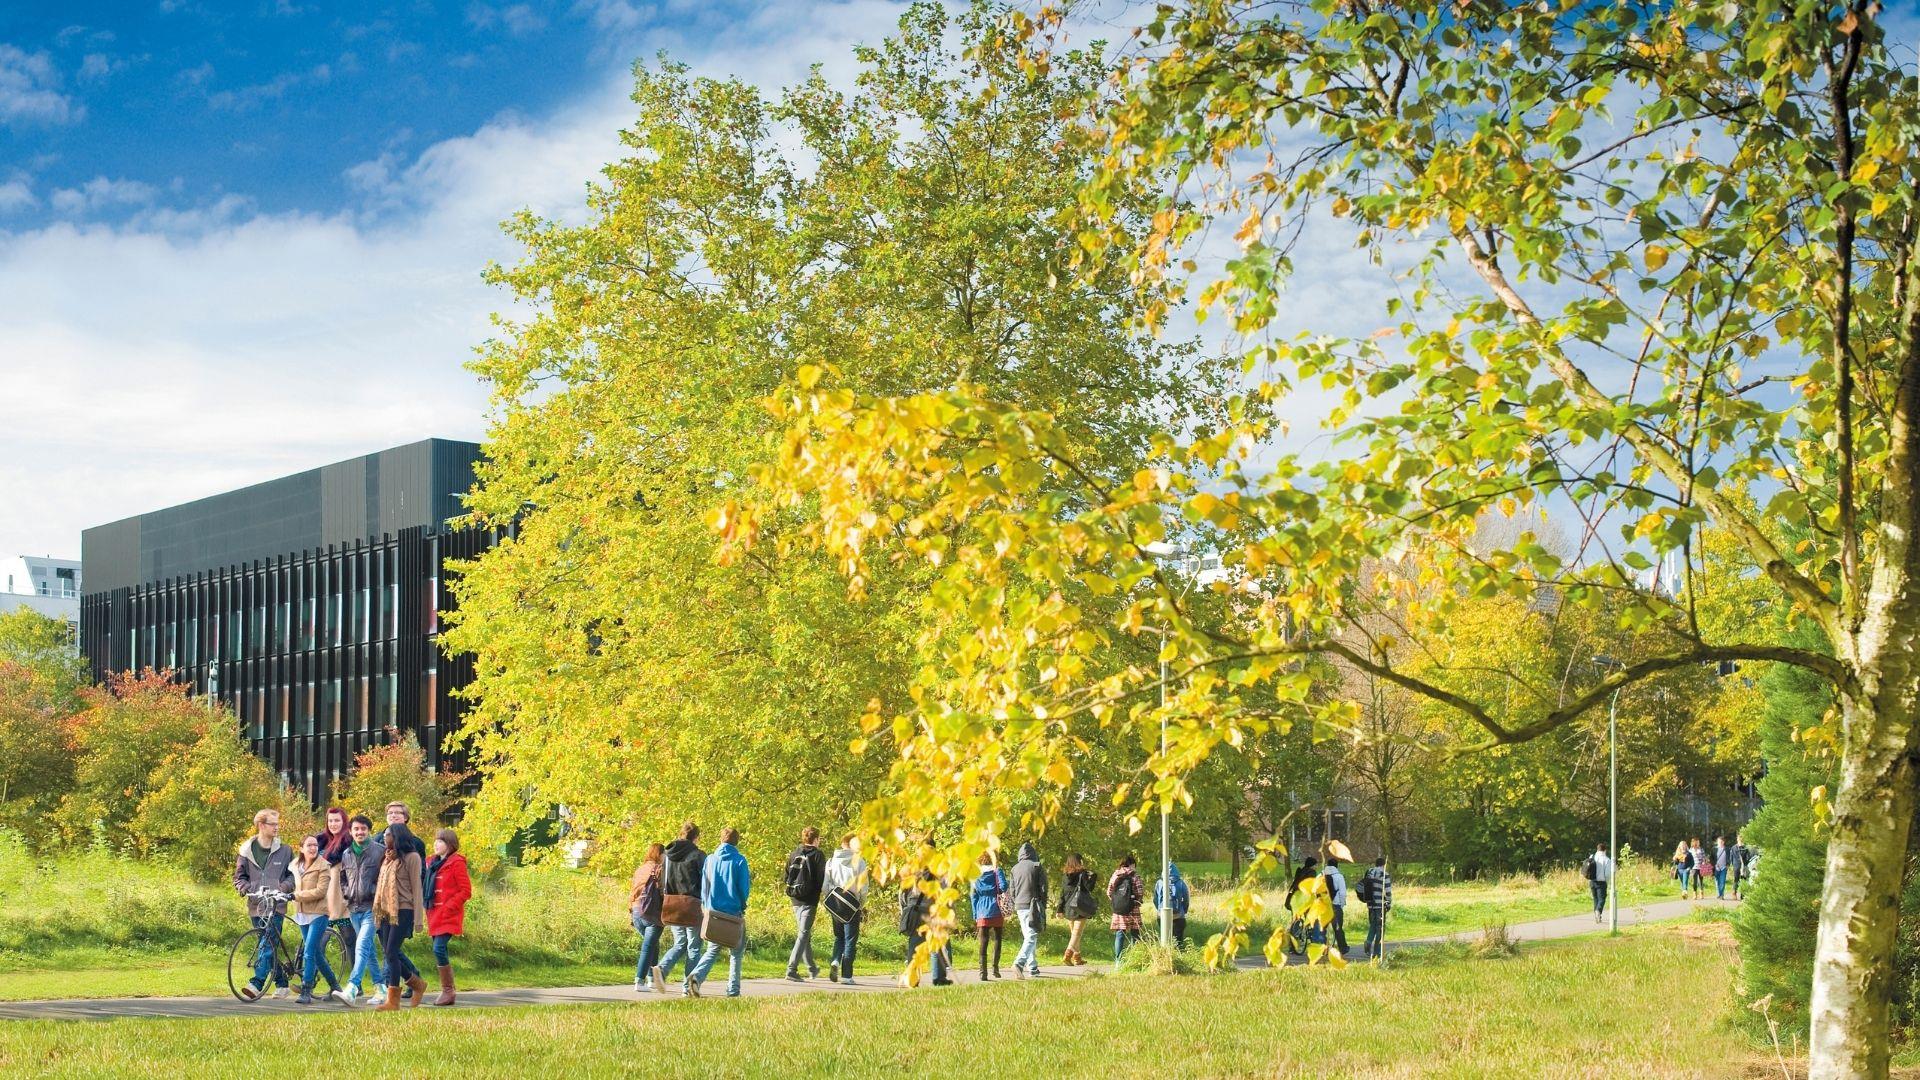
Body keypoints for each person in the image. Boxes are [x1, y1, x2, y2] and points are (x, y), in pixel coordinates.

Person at [233, 807, 297, 1001]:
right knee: (267, 946)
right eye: (273, 824)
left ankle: (256, 983)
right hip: (255, 906)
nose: (277, 827)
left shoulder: (285, 851)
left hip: (276, 906)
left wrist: (283, 888)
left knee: (267, 944)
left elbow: (293, 876)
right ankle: (282, 984)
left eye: (278, 824)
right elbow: (238, 877)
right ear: (261, 825)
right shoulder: (246, 851)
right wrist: (244, 888)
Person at [688, 826, 751, 998]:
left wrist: (706, 905)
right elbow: (744, 888)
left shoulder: (710, 859)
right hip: (733, 913)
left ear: (721, 839)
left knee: (712, 950)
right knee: (736, 954)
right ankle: (733, 990)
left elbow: (705, 884)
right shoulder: (739, 860)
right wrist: (742, 904)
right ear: (736, 841)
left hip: (714, 912)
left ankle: (695, 979)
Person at [372, 821, 427, 1011]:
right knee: (389, 953)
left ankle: (393, 1001)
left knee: (392, 953)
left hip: (404, 911)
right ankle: (417, 984)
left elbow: (417, 888)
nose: (385, 837)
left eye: (389, 834)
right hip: (386, 910)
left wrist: (418, 919)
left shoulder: (412, 858)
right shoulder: (387, 858)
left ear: (398, 837)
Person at [333, 814, 385, 1005]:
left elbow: (386, 879)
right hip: (354, 908)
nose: (359, 832)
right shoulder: (346, 853)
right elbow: (343, 878)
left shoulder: (380, 851)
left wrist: (374, 892)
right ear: (351, 831)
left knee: (362, 945)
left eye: (363, 829)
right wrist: (346, 893)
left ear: (368, 830)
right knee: (369, 950)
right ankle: (381, 988)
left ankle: (352, 988)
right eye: (356, 829)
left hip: (373, 908)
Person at [290, 833, 345, 1005]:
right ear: (301, 848)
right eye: (309, 845)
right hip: (302, 913)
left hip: (319, 913)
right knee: (315, 953)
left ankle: (306, 989)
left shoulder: (324, 866)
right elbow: (289, 883)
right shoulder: (295, 865)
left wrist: (296, 896)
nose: (313, 848)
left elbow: (320, 891)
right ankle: (335, 986)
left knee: (308, 951)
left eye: (315, 845)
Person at [651, 822, 706, 994]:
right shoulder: (698, 855)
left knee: (680, 942)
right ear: (696, 837)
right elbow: (705, 881)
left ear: (680, 834)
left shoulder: (667, 855)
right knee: (694, 946)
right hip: (692, 904)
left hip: (672, 903)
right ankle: (688, 988)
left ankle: (662, 968)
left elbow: (661, 881)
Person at [423, 828, 471, 1007]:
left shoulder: (457, 862)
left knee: (438, 949)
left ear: (450, 845)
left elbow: (465, 891)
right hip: (433, 913)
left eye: (440, 841)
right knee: (438, 949)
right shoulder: (431, 862)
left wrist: (449, 906)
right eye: (435, 841)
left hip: (448, 915)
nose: (436, 844)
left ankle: (448, 991)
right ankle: (448, 991)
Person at [899, 852, 951, 987]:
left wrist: (905, 909)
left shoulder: (913, 870)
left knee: (914, 947)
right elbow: (945, 892)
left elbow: (902, 893)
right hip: (933, 911)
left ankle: (912, 979)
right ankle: (938, 977)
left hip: (915, 910)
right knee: (937, 945)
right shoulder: (939, 870)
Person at [824, 833, 869, 984]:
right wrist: (860, 904)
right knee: (850, 940)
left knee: (839, 937)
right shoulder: (859, 862)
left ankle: (835, 961)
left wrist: (831, 899)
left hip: (835, 904)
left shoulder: (831, 861)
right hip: (852, 905)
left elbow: (825, 886)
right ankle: (847, 976)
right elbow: (863, 888)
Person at [784, 826, 827, 982]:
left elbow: (786, 876)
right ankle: (791, 970)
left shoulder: (794, 853)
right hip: (809, 900)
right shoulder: (818, 855)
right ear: (816, 839)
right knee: (803, 934)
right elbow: (821, 879)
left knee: (804, 934)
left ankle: (812, 968)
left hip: (795, 899)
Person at [628, 842, 666, 993]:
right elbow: (664, 891)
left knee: (653, 945)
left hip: (637, 911)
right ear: (659, 854)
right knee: (648, 946)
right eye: (664, 854)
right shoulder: (659, 869)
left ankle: (651, 979)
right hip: (652, 913)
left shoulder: (640, 869)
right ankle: (639, 980)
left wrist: (631, 911)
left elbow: (632, 891)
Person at [1009, 842, 1048, 977]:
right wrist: (1043, 905)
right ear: (1033, 853)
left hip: (1020, 906)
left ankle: (1033, 968)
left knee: (1028, 936)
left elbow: (1012, 890)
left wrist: (1016, 902)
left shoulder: (1014, 869)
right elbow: (1043, 889)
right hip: (1033, 905)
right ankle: (1019, 963)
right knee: (1032, 935)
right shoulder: (1037, 866)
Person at [971, 852, 1009, 980]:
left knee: (983, 940)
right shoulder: (997, 870)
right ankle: (995, 969)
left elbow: (973, 896)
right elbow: (1004, 886)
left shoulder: (975, 874)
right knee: (997, 938)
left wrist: (975, 914)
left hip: (982, 908)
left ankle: (983, 972)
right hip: (996, 907)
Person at [1057, 853, 1095, 966]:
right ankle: (1067, 955)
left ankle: (1077, 958)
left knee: (1074, 934)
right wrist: (1093, 876)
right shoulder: (1082, 873)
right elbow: (1089, 888)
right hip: (1080, 907)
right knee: (1077, 934)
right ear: (1079, 861)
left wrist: (1059, 909)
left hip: (1068, 908)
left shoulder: (1065, 875)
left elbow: (1062, 893)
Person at [1108, 853, 1144, 960]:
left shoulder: (1115, 875)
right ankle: (1135, 958)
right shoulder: (1134, 876)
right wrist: (1136, 901)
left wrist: (1118, 901)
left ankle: (1118, 960)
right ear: (1131, 864)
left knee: (1120, 933)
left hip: (1119, 910)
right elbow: (1140, 892)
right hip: (1133, 908)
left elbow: (1109, 892)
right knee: (1135, 933)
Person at [1284, 857, 1320, 955]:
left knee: (1295, 922)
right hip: (1305, 899)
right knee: (1313, 919)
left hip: (1295, 900)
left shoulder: (1300, 872)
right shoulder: (1312, 873)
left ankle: (1292, 947)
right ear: (1312, 865)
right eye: (1316, 864)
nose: (1317, 866)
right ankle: (1316, 943)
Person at [1359, 856, 1393, 959]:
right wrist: (1389, 902)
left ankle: (1368, 942)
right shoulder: (1384, 874)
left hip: (1370, 904)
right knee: (1380, 928)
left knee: (1373, 924)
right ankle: (1377, 952)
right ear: (1383, 865)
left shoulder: (1369, 872)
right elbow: (1387, 891)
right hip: (1379, 904)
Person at [1154, 862, 1191, 949]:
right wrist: (1184, 911)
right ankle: (1178, 955)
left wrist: (1159, 910)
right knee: (1178, 940)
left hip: (1162, 916)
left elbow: (1155, 899)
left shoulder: (1159, 883)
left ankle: (1166, 955)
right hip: (1178, 916)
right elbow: (1186, 899)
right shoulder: (1181, 883)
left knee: (1165, 939)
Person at [1322, 855, 1350, 955]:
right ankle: (1343, 948)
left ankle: (1321, 947)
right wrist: (1342, 905)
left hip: (1323, 905)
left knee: (1322, 928)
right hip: (1335, 905)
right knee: (1338, 928)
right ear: (1336, 866)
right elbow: (1342, 893)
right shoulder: (1339, 876)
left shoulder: (1321, 875)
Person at [1585, 843, 1613, 924]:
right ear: (1605, 850)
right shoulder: (1607, 860)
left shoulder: (1592, 857)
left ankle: (1597, 917)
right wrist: (1607, 881)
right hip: (1601, 882)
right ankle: (1598, 911)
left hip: (1592, 881)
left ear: (1597, 849)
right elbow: (1607, 874)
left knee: (1595, 899)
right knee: (1602, 899)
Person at [1729, 835, 1750, 900]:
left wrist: (1745, 864)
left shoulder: (1745, 848)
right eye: (1739, 838)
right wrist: (1732, 865)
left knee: (1744, 879)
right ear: (1737, 839)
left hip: (1744, 866)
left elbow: (1747, 857)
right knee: (1736, 879)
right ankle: (1734, 893)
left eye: (1741, 839)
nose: (1740, 840)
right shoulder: (1733, 847)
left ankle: (1743, 895)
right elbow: (1731, 857)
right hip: (1736, 866)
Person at [1713, 835, 1730, 900]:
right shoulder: (1714, 849)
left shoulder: (1727, 849)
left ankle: (1721, 895)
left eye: (1722, 841)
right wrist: (1714, 864)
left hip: (1723, 868)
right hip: (1716, 868)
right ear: (1717, 842)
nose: (1720, 842)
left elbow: (1729, 857)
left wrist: (1728, 865)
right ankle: (1719, 894)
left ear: (1724, 842)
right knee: (1717, 881)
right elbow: (1711, 858)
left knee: (1722, 881)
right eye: (1719, 841)